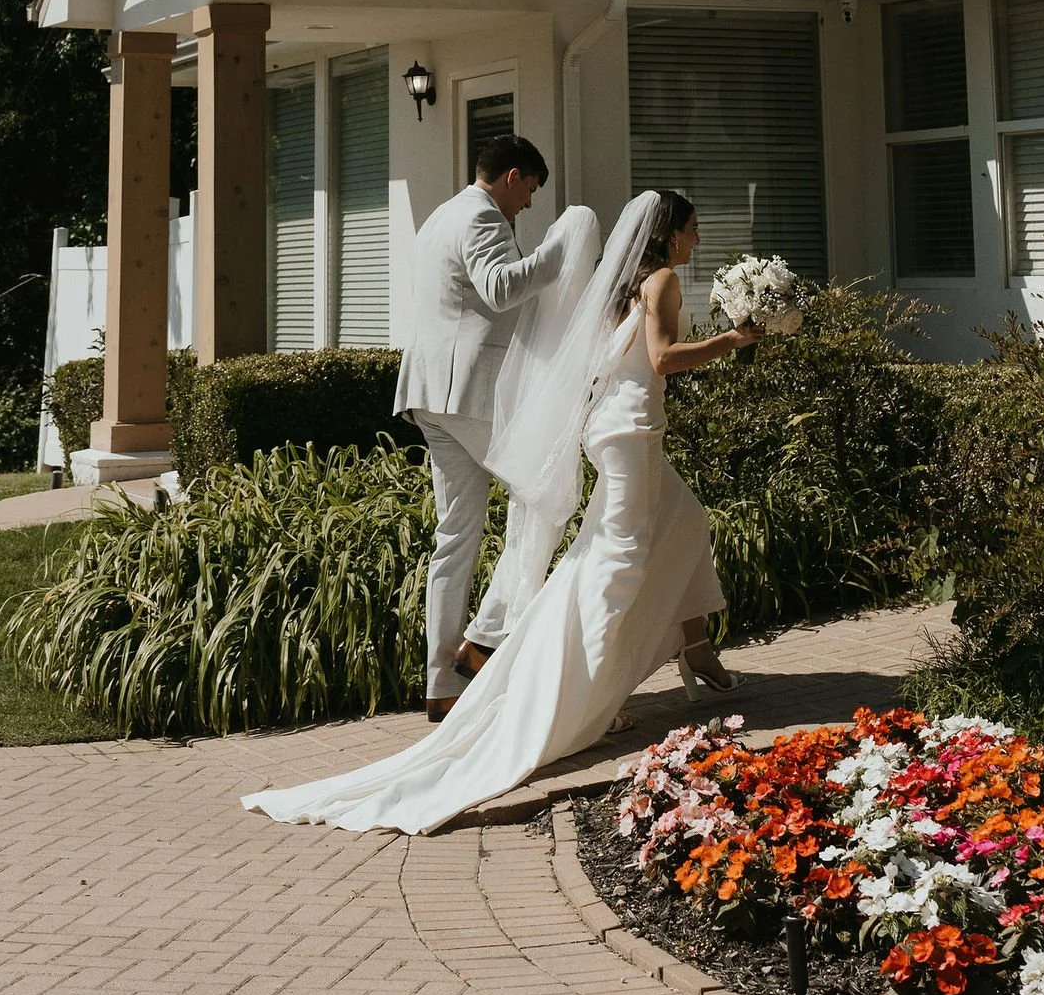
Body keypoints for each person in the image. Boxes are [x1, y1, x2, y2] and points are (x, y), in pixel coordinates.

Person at [243, 188, 758, 836]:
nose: (698, 240)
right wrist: (734, 339)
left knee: (683, 519)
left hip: (615, 430)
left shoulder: (624, 284)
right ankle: (581, 700)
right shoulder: (661, 282)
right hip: (631, 435)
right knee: (615, 565)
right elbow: (661, 360)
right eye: (693, 228)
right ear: (669, 234)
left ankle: (695, 646)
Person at [392, 130, 579, 720]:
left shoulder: (439, 217)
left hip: (429, 395)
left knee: (455, 536)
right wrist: (559, 252)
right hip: (468, 394)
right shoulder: (481, 217)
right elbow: (499, 290)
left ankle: (440, 682)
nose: (528, 204)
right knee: (545, 494)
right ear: (512, 176)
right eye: (530, 191)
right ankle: (484, 641)